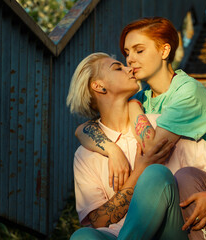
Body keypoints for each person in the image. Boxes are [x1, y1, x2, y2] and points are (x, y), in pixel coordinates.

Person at [75, 17, 206, 239]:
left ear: (164, 51)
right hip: (183, 194)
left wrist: (133, 106)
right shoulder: (144, 98)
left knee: (182, 177)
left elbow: (152, 149)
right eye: (127, 53)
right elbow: (84, 128)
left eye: (139, 51)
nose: (130, 60)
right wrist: (111, 148)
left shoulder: (186, 93)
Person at [67, 52, 188, 240]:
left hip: (167, 229)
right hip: (115, 235)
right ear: (99, 86)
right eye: (118, 68)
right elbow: (99, 222)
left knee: (157, 174)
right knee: (81, 237)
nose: (129, 68)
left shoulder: (158, 125)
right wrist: (137, 168)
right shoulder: (85, 154)